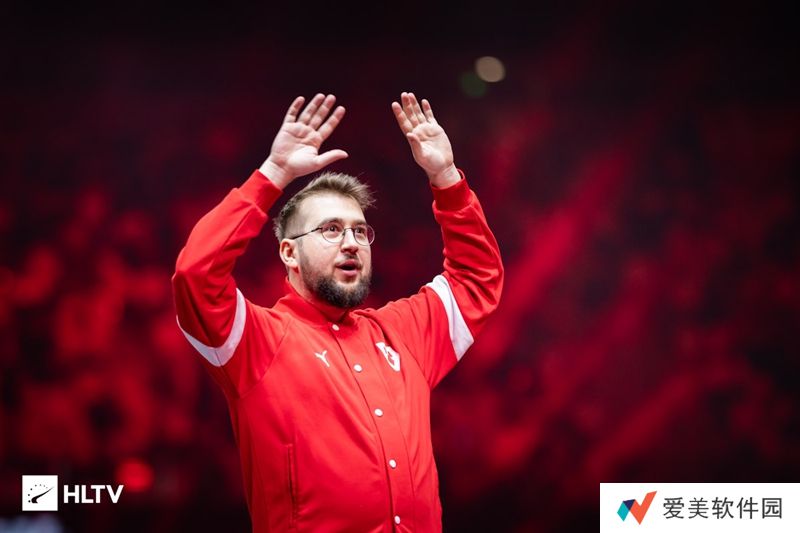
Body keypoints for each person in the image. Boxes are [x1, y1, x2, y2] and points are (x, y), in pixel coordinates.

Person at [172, 92, 503, 532]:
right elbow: (196, 273)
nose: (351, 242)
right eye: (330, 229)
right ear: (288, 252)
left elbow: (477, 278)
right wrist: (273, 174)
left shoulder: (402, 333)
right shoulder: (256, 341)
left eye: (360, 231)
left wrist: (446, 178)